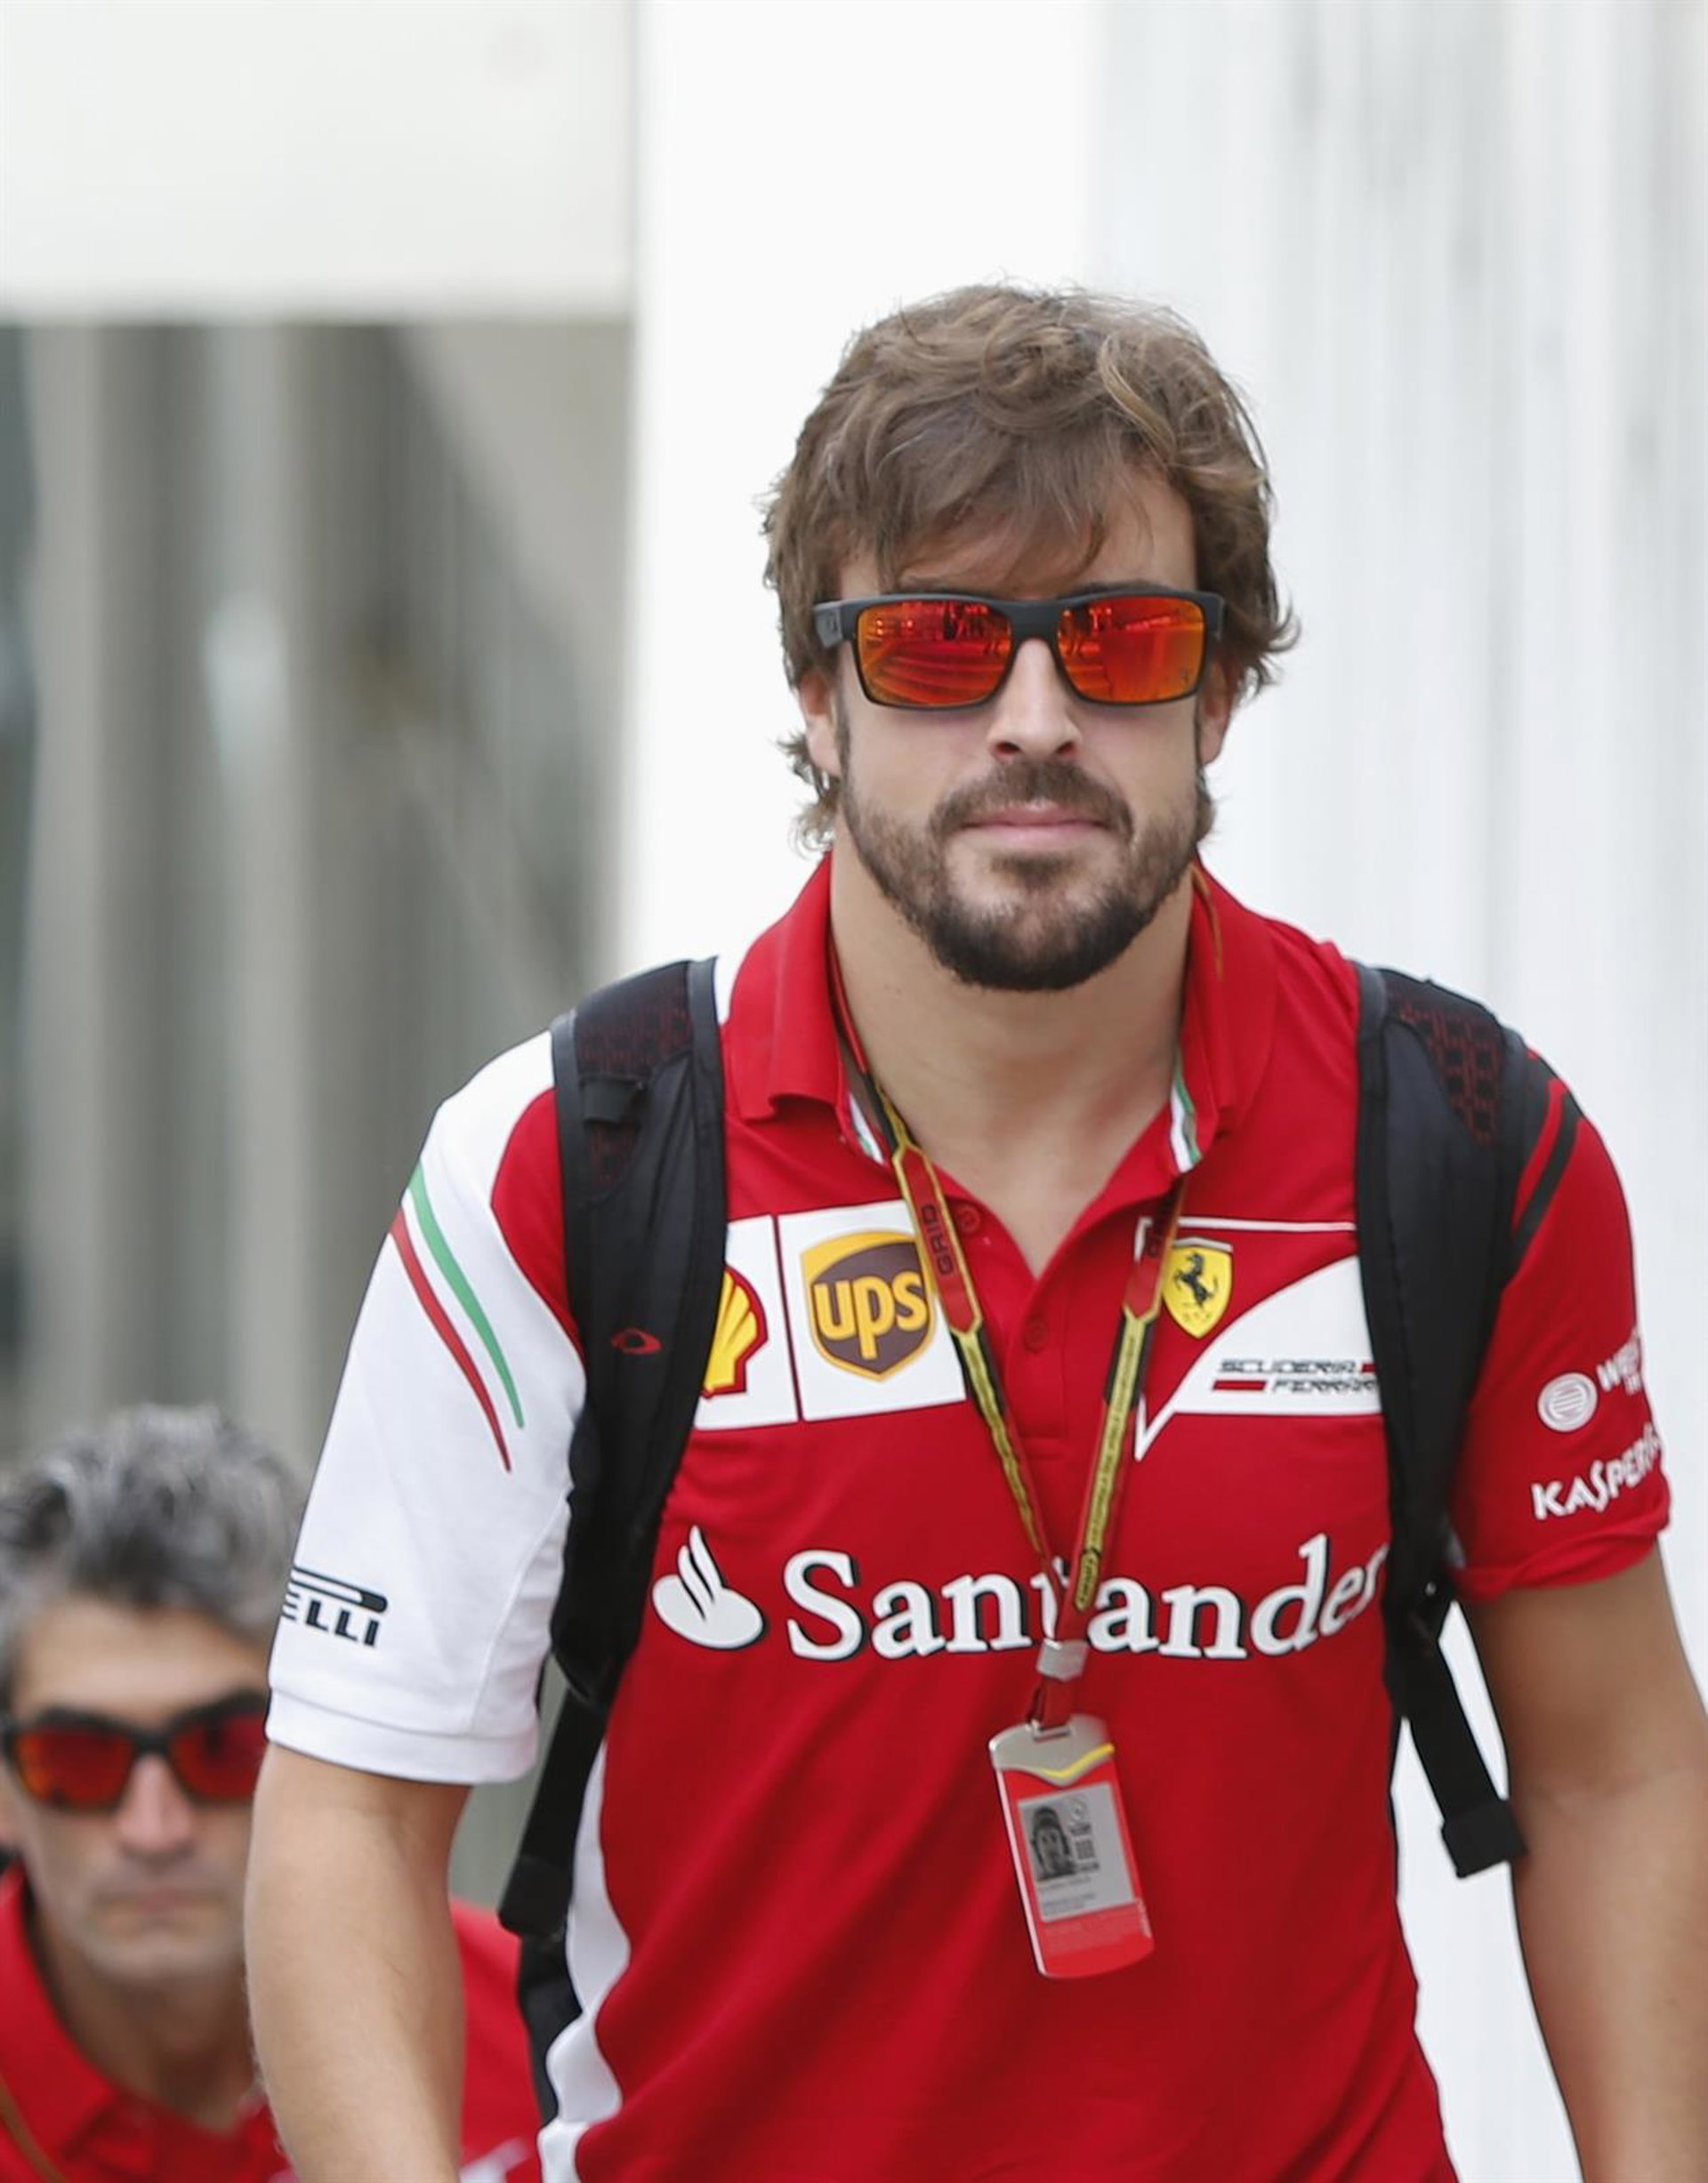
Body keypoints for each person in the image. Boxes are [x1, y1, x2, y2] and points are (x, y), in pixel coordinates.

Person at [247, 286, 1708, 2181]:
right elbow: (350, 1811)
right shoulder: (564, 1161)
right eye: (939, 644)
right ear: (818, 693)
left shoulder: (1462, 1138)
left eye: (1121, 641)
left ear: (1219, 692)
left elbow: (1614, 1766)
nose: (1034, 722)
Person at [0, 1405, 543, 2183]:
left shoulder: (544, 2020)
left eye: (222, 1748)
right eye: (78, 1758)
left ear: (322, 1755)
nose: (155, 1829)